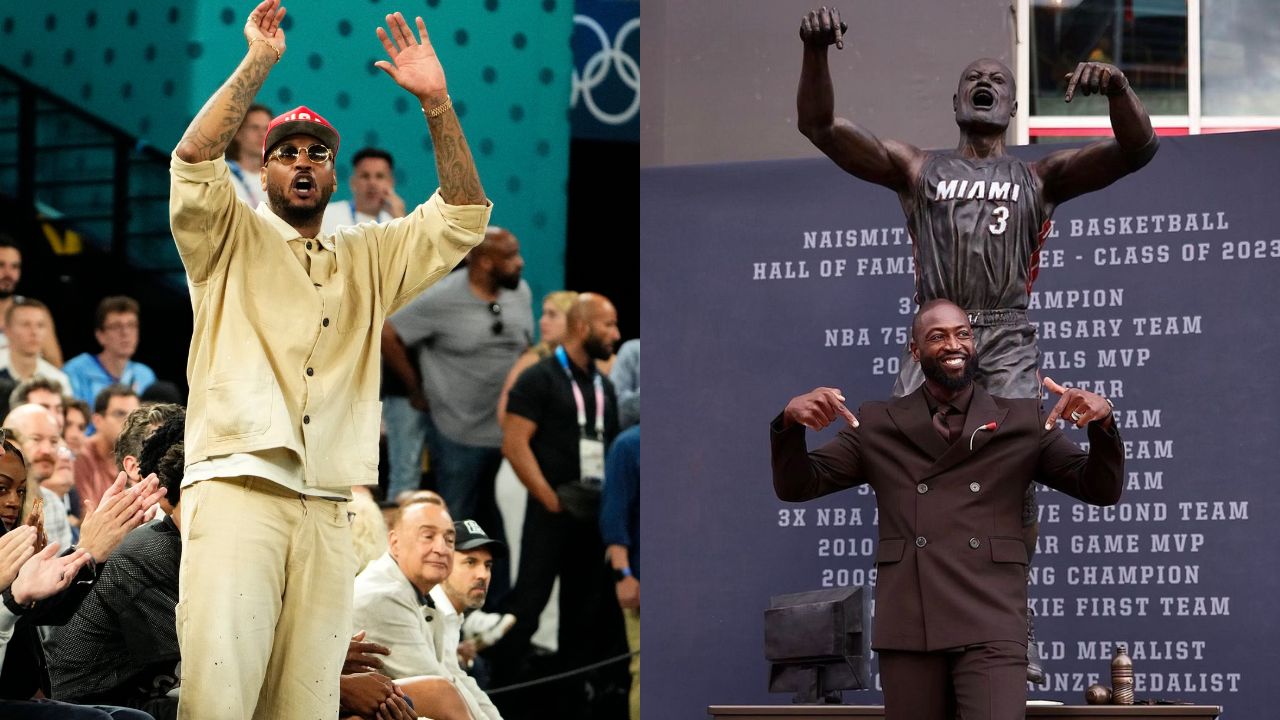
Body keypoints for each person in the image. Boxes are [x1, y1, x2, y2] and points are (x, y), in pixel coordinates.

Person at [796, 6, 1158, 678]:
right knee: (905, 468)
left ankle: (1011, 629)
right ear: (957, 101)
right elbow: (819, 126)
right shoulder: (917, 168)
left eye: (998, 77)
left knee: (1014, 474)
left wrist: (1118, 89)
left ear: (1013, 104)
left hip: (1006, 333)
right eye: (974, 77)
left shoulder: (1041, 178)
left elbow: (1138, 150)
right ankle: (913, 617)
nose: (986, 81)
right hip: (937, 336)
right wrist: (815, 53)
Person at [167, 2, 490, 717]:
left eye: (317, 154)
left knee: (306, 707)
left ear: (335, 177)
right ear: (263, 172)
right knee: (219, 696)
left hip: (327, 505)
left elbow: (465, 216)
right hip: (238, 485)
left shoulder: (367, 257)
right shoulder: (227, 237)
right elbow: (192, 160)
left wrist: (437, 103)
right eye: (286, 153)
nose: (303, 163)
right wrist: (257, 63)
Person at [770, 300, 1124, 720]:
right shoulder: (878, 424)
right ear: (915, 351)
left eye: (962, 334)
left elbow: (1099, 489)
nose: (953, 344)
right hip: (910, 624)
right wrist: (789, 425)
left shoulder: (1020, 421)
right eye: (937, 336)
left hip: (991, 619)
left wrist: (1103, 427)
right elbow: (798, 485)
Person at [384, 226, 531, 603]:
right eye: (511, 256)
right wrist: (416, 387)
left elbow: (525, 347)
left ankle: (494, 611)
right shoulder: (441, 297)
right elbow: (388, 331)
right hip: (456, 434)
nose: (521, 262)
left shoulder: (521, 293)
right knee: (456, 532)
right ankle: (447, 612)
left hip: (504, 437)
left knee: (496, 532)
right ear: (482, 261)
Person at [496, 293, 628, 714]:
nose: (616, 335)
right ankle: (498, 693)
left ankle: (570, 703)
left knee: (582, 613)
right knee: (529, 605)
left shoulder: (603, 385)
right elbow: (515, 445)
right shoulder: (540, 377)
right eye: (608, 325)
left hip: (591, 517)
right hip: (551, 512)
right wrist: (549, 499)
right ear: (584, 327)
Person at [352, 499, 496, 720]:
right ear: (395, 542)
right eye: (428, 536)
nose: (441, 548)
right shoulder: (384, 596)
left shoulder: (416, 592)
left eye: (449, 540)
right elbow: (440, 693)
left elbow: (455, 676)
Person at [599, 424, 639, 720]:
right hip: (641, 580)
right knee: (645, 672)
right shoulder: (628, 445)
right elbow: (614, 518)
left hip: (687, 584)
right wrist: (623, 575)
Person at [496, 290, 577, 426]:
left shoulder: (592, 364)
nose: (542, 321)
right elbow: (504, 413)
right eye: (544, 314)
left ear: (574, 321)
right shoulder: (529, 362)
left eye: (552, 315)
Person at [61, 297, 157, 406]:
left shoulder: (144, 374)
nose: (125, 332)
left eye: (131, 325)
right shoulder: (75, 371)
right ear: (100, 335)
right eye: (116, 326)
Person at [321, 147, 407, 234]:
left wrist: (401, 218)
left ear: (390, 183)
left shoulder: (396, 223)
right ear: (353, 182)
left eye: (379, 176)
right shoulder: (326, 215)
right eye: (365, 176)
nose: (372, 183)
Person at [0, 298, 70, 391]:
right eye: (26, 324)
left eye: (40, 325)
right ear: (7, 330)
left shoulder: (58, 380)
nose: (34, 332)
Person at [224, 103, 273, 207]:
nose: (262, 134)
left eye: (266, 129)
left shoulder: (276, 177)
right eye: (255, 128)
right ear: (237, 132)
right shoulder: (222, 175)